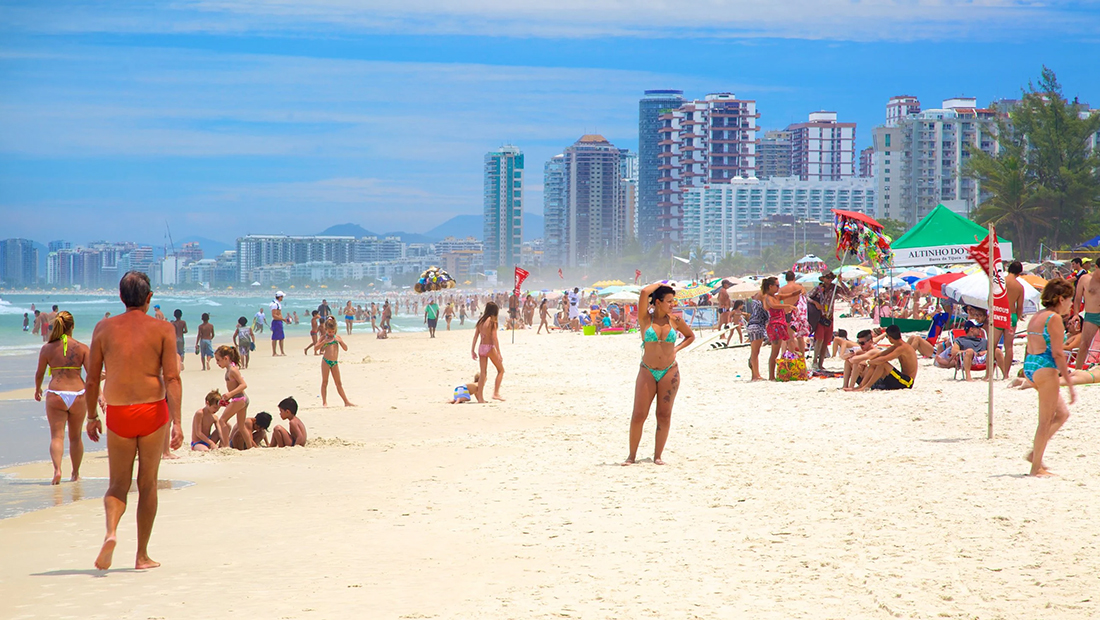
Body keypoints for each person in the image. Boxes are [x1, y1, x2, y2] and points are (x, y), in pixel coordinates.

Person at [84, 271, 183, 570]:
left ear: (120, 297)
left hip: (118, 412)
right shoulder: (163, 329)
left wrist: (91, 415)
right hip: (153, 411)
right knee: (147, 483)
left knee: (117, 484)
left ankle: (111, 532)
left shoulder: (103, 328)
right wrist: (177, 421)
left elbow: (91, 380)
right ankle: (141, 555)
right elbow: (172, 377)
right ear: (149, 298)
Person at [624, 283, 695, 466]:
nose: (673, 305)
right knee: (639, 414)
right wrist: (661, 283)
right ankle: (632, 456)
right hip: (647, 370)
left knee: (664, 414)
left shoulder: (675, 321)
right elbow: (643, 292)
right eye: (669, 301)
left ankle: (658, 456)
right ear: (658, 302)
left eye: (674, 301)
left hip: (669, 371)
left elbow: (690, 336)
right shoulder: (645, 319)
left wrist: (676, 349)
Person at [1023, 279, 1076, 477]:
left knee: (1061, 414)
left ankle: (1034, 454)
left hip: (1031, 364)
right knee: (1045, 421)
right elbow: (1058, 354)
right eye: (1069, 301)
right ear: (1061, 299)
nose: (1071, 305)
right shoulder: (1053, 319)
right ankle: (1036, 467)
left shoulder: (1037, 316)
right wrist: (1069, 383)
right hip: (1046, 367)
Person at [34, 311, 90, 485]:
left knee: (57, 437)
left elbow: (40, 373)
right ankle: (75, 473)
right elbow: (92, 376)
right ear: (72, 327)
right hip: (78, 394)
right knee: (75, 438)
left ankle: (57, 470)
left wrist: (38, 389)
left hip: (56, 393)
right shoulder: (82, 348)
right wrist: (100, 395)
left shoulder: (47, 348)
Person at [847, 325, 918, 391]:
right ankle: (862, 386)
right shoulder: (897, 346)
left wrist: (867, 362)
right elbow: (880, 354)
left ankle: (866, 386)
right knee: (876, 362)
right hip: (901, 379)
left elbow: (884, 359)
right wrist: (869, 360)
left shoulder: (902, 348)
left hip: (907, 382)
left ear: (889, 337)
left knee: (882, 363)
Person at [989, 261, 1026, 379]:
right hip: (1011, 316)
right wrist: (1018, 317)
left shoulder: (1000, 282)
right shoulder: (1020, 287)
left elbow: (990, 298)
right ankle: (1006, 375)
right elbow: (1020, 306)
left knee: (992, 345)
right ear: (1019, 272)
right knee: (1009, 346)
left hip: (999, 313)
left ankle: (988, 374)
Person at [214, 344, 252, 449]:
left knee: (222, 420)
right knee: (241, 426)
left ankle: (226, 445)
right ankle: (250, 447)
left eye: (218, 360)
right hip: (240, 399)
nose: (217, 363)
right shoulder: (230, 368)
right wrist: (227, 398)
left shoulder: (232, 370)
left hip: (239, 399)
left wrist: (230, 394)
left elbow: (243, 385)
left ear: (226, 358)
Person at [808, 272, 846, 371]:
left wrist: (841, 282)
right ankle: (815, 361)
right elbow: (807, 297)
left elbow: (849, 295)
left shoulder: (834, 288)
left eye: (831, 278)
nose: (830, 279)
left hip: (829, 317)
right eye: (828, 277)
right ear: (823, 279)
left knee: (826, 341)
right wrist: (815, 303)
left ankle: (821, 363)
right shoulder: (818, 288)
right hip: (820, 316)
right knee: (819, 339)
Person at [314, 316, 355, 407]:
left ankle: (346, 401)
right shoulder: (323, 337)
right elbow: (316, 348)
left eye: (333, 331)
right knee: (325, 382)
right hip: (326, 361)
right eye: (329, 331)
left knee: (339, 383)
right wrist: (323, 342)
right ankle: (324, 402)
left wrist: (340, 341)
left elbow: (345, 348)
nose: (331, 333)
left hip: (334, 363)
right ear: (326, 329)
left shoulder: (337, 337)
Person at [470, 302, 505, 402]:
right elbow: (494, 337)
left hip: (481, 347)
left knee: (483, 373)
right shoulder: (492, 321)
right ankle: (496, 393)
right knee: (501, 370)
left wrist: (472, 350)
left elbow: (476, 336)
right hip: (489, 347)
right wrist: (498, 352)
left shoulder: (481, 321)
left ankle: (480, 397)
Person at [1072, 260, 1100, 371]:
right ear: (1096, 267)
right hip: (1091, 315)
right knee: (1084, 344)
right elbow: (1077, 298)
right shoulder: (1085, 279)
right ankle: (1078, 370)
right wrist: (1075, 314)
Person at [744, 289, 769, 381]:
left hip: (753, 325)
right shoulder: (762, 296)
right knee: (755, 353)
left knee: (754, 353)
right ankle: (756, 375)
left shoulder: (756, 299)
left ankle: (754, 374)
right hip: (757, 325)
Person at [270, 291, 286, 356]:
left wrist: (283, 319)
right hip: (276, 322)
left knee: (281, 337)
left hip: (279, 321)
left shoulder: (278, 303)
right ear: (279, 297)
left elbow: (279, 313)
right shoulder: (275, 304)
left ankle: (282, 351)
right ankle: (274, 352)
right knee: (275, 338)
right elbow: (274, 315)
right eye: (282, 297)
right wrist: (282, 319)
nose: (282, 298)